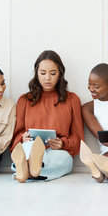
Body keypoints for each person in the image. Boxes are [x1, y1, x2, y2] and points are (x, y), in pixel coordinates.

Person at [10, 50, 84, 183]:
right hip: (30, 146)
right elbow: (16, 137)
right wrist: (23, 138)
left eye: (53, 73)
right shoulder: (25, 100)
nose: (47, 78)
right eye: (43, 73)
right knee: (28, 148)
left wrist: (62, 143)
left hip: (57, 152)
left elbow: (78, 139)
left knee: (64, 159)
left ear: (60, 74)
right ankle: (33, 168)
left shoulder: (72, 100)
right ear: (36, 73)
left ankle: (26, 169)